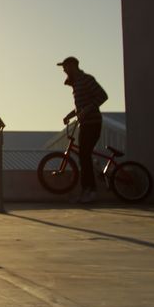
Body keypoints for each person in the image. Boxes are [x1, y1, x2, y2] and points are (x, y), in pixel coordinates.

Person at [59, 56, 108, 203]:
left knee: (84, 155)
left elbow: (103, 96)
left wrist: (86, 110)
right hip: (85, 124)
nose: (64, 70)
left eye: (65, 67)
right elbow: (79, 107)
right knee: (83, 156)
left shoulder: (87, 80)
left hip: (93, 123)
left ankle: (91, 190)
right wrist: (70, 115)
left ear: (73, 66)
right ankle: (86, 189)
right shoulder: (76, 84)